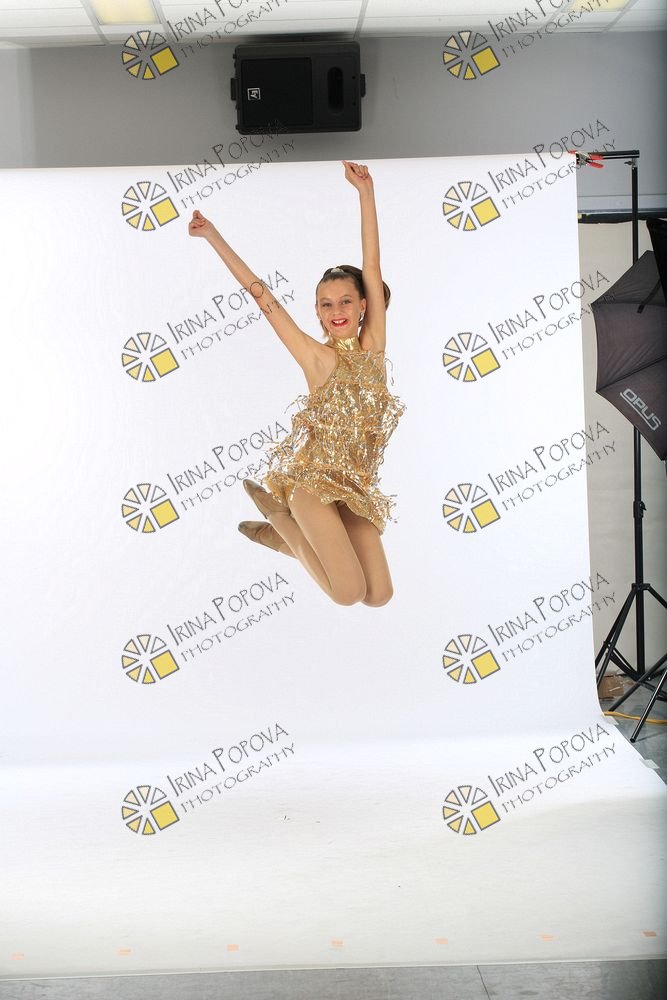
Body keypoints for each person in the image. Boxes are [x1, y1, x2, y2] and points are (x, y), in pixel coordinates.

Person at [188, 160, 404, 606]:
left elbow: (372, 263)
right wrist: (212, 236)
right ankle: (280, 522)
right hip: (313, 487)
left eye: (345, 301)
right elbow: (261, 295)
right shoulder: (315, 357)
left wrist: (365, 193)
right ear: (317, 312)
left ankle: (290, 541)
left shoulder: (374, 347)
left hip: (354, 487)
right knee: (348, 593)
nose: (336, 310)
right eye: (326, 304)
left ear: (364, 305)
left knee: (379, 595)